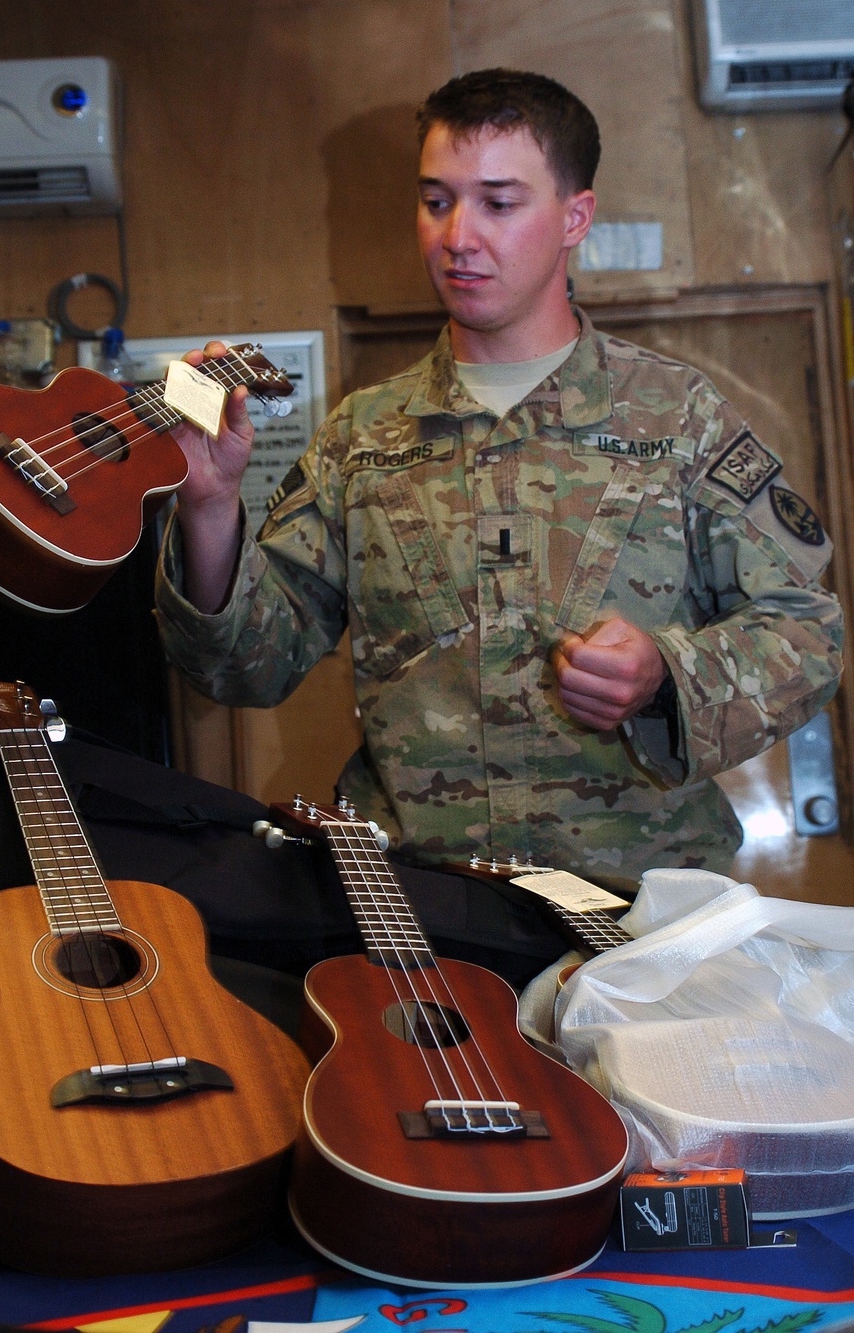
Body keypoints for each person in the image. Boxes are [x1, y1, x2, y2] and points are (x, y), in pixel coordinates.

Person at [155, 67, 844, 891]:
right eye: (437, 200)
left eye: (499, 202)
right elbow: (243, 670)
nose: (457, 236)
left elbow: (808, 635)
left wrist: (667, 672)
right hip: (422, 911)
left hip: (639, 910)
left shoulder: (676, 418)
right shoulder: (362, 437)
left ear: (574, 217)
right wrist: (209, 506)